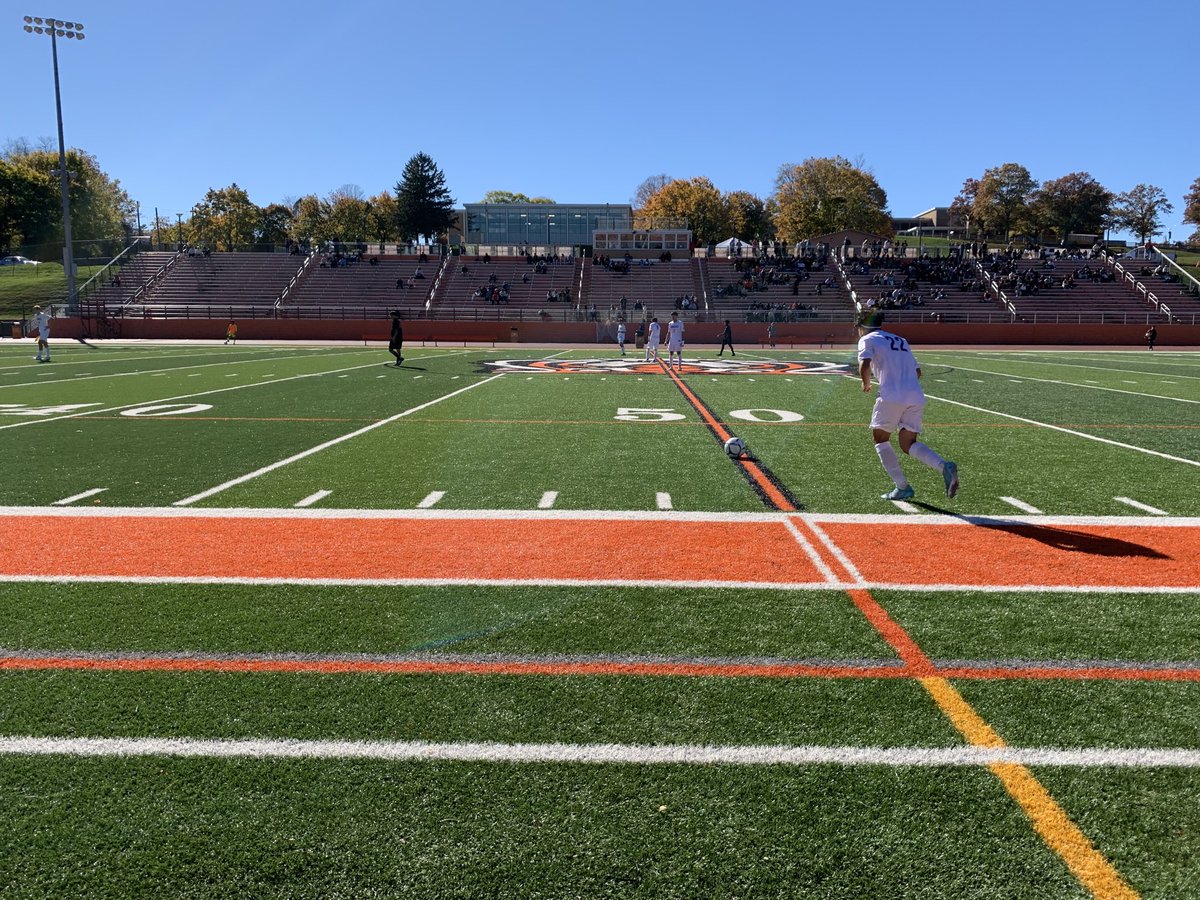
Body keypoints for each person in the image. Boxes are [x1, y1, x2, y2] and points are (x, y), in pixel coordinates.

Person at [857, 310, 958, 502]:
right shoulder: (900, 340)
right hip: (915, 395)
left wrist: (866, 383)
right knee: (908, 443)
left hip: (891, 395)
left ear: (862, 327)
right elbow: (917, 372)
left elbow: (865, 363)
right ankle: (944, 466)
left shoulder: (867, 339)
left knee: (880, 438)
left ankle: (902, 487)